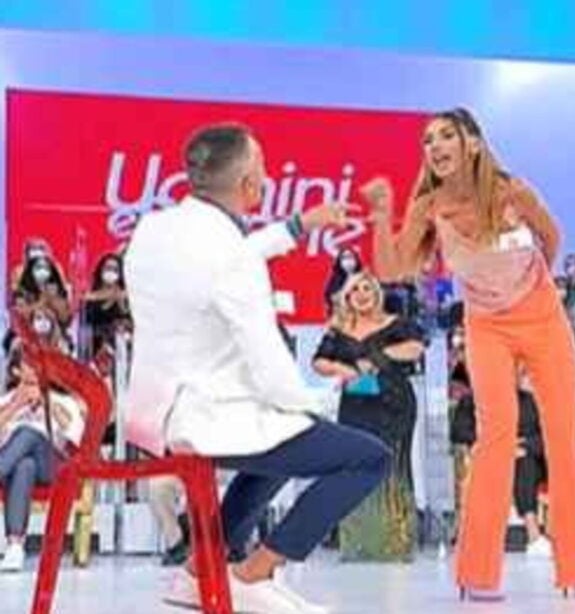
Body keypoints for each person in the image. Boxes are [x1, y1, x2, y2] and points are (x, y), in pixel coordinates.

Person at [124, 122, 390, 614]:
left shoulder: (152, 230)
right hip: (206, 419)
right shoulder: (231, 258)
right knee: (366, 457)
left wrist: (298, 226)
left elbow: (224, 259)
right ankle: (256, 572)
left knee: (281, 439)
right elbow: (268, 363)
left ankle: (199, 569)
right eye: (263, 169)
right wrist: (314, 402)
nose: (266, 179)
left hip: (155, 414)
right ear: (249, 184)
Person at [366, 107, 575, 600]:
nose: (434, 147)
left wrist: (531, 286)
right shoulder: (430, 206)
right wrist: (383, 213)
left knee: (563, 435)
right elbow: (391, 270)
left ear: (472, 142)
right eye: (428, 140)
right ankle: (476, 573)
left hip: (543, 318)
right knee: (495, 435)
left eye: (445, 136)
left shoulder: (512, 191)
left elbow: (552, 237)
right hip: (486, 325)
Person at [312, 271, 425, 561]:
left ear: (377, 294)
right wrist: (343, 369)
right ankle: (359, 543)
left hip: (394, 402)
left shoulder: (396, 323)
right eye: (356, 290)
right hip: (356, 404)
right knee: (356, 463)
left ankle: (396, 542)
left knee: (393, 463)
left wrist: (377, 357)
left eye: (367, 289)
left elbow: (415, 348)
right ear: (347, 297)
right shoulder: (339, 329)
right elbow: (319, 361)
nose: (362, 295)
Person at [450, 367, 552, 556]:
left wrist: (523, 446)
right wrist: (499, 446)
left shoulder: (529, 402)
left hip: (525, 461)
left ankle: (533, 535)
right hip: (490, 460)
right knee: (505, 465)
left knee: (525, 463)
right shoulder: (472, 401)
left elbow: (545, 437)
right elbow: (458, 432)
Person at [0, 346, 86, 572]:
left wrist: (48, 403)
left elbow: (76, 435)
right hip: (15, 466)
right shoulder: (6, 401)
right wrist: (16, 405)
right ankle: (15, 546)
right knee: (24, 465)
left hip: (52, 465)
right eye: (29, 363)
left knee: (28, 433)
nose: (35, 367)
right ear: (17, 370)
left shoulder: (62, 401)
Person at [82, 253, 133, 372]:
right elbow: (88, 318)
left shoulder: (125, 295)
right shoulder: (90, 296)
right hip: (94, 341)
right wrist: (108, 297)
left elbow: (129, 319)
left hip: (119, 345)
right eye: (108, 268)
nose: (111, 272)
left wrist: (119, 300)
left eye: (115, 269)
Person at [323, 248, 363, 315]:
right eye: (345, 258)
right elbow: (329, 296)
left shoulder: (363, 278)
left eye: (350, 257)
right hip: (340, 315)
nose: (348, 260)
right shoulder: (335, 279)